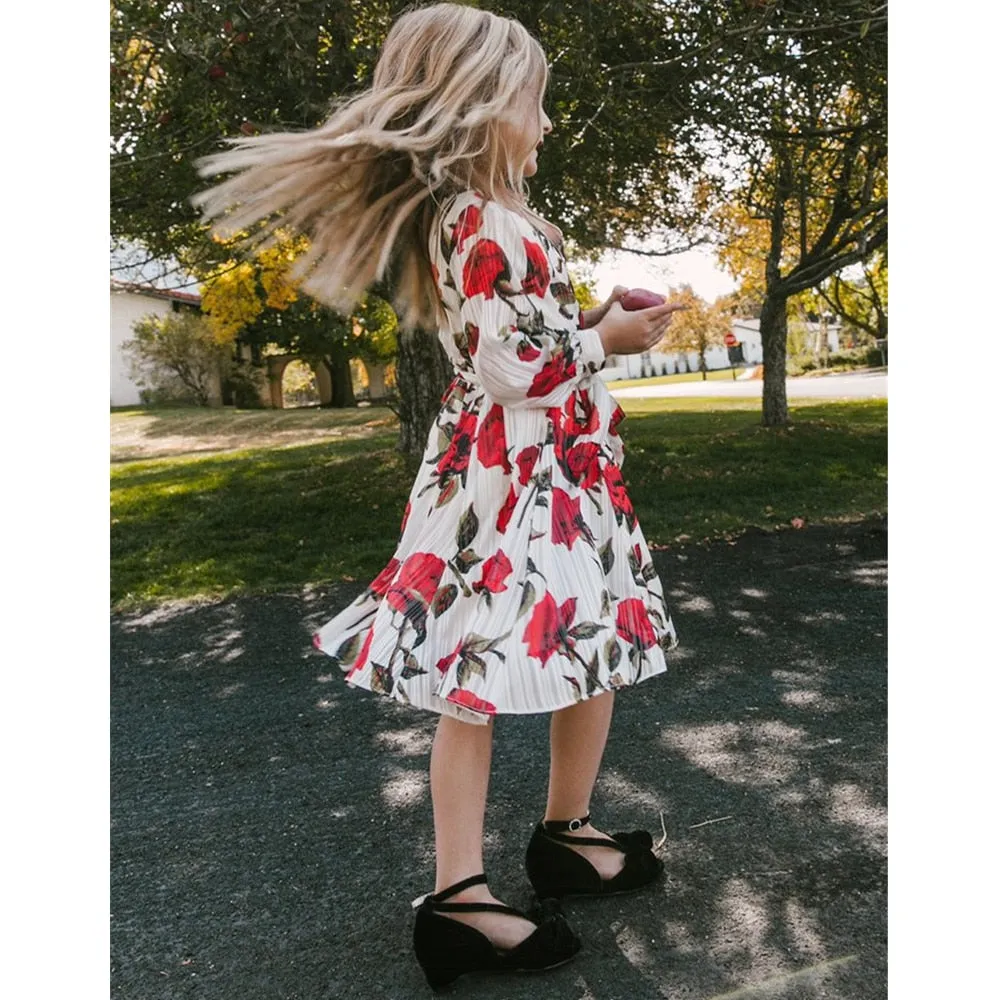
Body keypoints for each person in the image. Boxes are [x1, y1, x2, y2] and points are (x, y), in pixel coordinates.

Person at [193, 2, 681, 989]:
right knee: (482, 669)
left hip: (551, 474)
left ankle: (566, 834)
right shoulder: (484, 220)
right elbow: (510, 365)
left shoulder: (492, 221)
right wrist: (602, 343)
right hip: (517, 489)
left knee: (586, 649)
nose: (545, 126)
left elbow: (520, 341)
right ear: (483, 107)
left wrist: (587, 321)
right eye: (535, 107)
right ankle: (459, 895)